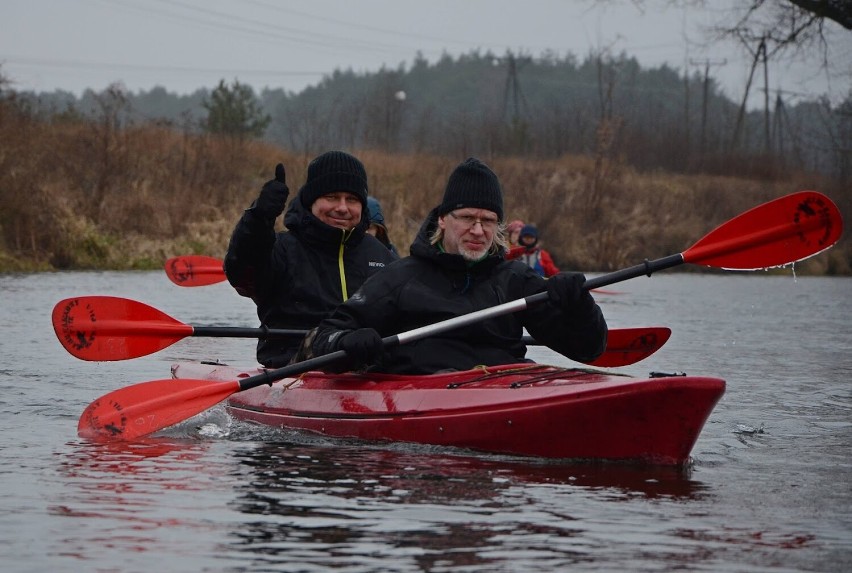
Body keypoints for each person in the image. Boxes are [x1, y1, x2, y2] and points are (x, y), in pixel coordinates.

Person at [309, 157, 608, 375]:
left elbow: (588, 349)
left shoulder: (516, 280)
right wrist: (348, 341)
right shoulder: (401, 278)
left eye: (488, 221)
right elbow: (325, 336)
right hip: (426, 393)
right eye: (467, 218)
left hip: (507, 385)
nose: (478, 230)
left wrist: (580, 305)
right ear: (443, 220)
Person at [224, 150, 399, 368]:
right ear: (311, 202)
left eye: (352, 199)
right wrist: (258, 220)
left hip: (370, 368)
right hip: (296, 365)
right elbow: (241, 274)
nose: (342, 208)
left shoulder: (381, 254)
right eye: (332, 197)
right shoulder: (282, 249)